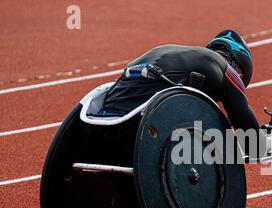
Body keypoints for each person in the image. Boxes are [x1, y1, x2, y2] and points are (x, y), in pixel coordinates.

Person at [101, 29, 261, 136]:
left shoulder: (168, 50)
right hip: (151, 113)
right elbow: (249, 134)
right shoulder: (225, 67)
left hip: (111, 106)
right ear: (240, 68)